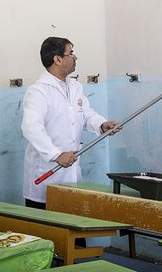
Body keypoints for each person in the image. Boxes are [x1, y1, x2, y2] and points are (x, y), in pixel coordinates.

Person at [21, 37, 120, 210]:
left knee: (72, 223)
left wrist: (102, 125)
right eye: (71, 53)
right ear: (57, 59)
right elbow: (31, 128)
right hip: (45, 176)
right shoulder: (38, 91)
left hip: (71, 175)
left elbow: (85, 114)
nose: (75, 58)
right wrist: (56, 155)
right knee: (46, 225)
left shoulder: (75, 86)